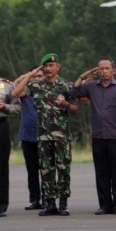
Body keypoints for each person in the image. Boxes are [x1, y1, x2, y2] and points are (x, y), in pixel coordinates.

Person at [12, 53, 79, 216]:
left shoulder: (67, 86)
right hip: (42, 136)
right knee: (46, 170)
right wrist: (29, 75)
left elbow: (76, 110)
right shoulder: (36, 86)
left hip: (62, 136)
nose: (48, 69)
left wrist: (66, 103)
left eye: (51, 66)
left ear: (58, 67)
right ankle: (50, 204)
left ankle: (63, 203)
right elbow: (16, 93)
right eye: (46, 66)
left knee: (63, 169)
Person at [71, 58, 116, 215]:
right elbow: (73, 92)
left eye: (106, 68)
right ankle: (105, 204)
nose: (103, 71)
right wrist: (84, 76)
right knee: (101, 172)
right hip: (98, 136)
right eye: (101, 68)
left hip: (115, 136)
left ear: (114, 71)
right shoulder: (91, 86)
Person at [14, 68, 45, 211]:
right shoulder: (25, 91)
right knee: (32, 171)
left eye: (40, 76)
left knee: (46, 170)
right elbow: (13, 88)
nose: (38, 78)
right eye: (36, 76)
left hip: (45, 136)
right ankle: (35, 200)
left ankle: (47, 199)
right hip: (28, 137)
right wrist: (27, 75)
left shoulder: (48, 91)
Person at [0, 77, 21, 217]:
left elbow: (18, 107)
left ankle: (1, 204)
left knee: (1, 166)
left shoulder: (5, 85)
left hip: (1, 125)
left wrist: (5, 107)